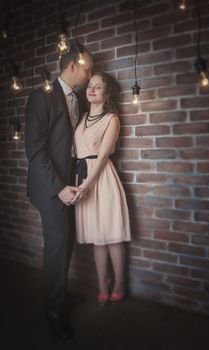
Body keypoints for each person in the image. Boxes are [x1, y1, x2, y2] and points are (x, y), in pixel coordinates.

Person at [25, 43, 93, 340]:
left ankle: (60, 294)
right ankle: (54, 309)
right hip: (50, 188)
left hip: (70, 185)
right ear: (72, 66)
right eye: (88, 68)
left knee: (67, 244)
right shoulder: (42, 97)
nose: (91, 75)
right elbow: (35, 151)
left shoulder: (77, 98)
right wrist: (58, 188)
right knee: (57, 247)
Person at [72, 72, 131, 306]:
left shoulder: (112, 119)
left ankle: (119, 283)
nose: (92, 89)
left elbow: (104, 155)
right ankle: (102, 283)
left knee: (112, 236)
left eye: (98, 87)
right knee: (98, 238)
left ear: (107, 94)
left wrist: (85, 185)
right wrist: (79, 183)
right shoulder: (82, 117)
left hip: (102, 178)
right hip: (82, 176)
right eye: (90, 85)